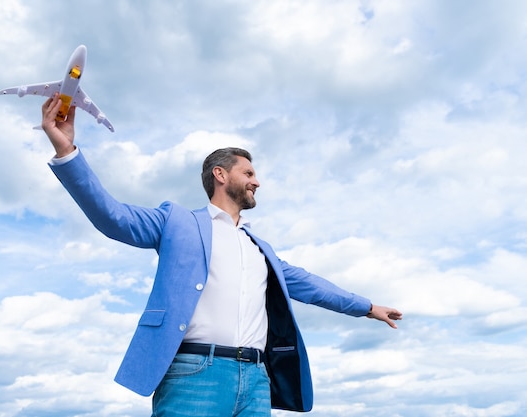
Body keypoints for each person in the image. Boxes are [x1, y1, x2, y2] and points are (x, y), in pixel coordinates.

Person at [40, 93, 402, 416]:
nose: (256, 181)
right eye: (248, 172)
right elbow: (112, 216)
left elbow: (310, 285)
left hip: (257, 381)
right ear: (220, 175)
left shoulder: (260, 250)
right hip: (194, 374)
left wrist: (367, 307)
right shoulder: (176, 222)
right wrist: (66, 151)